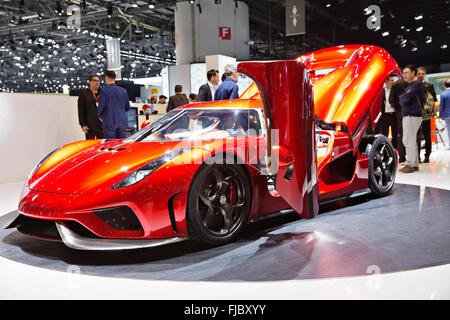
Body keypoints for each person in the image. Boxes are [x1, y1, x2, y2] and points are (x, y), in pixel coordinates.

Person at [398, 65, 425, 173]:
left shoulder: (416, 85)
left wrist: (402, 97)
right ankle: (414, 163)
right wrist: (403, 97)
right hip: (412, 115)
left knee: (408, 140)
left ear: (413, 73)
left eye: (407, 72)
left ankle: (410, 164)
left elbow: (404, 98)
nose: (404, 75)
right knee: (411, 140)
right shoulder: (412, 85)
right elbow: (404, 99)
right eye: (403, 73)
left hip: (412, 115)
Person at [98, 70, 131, 139]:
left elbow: (101, 106)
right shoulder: (123, 91)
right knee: (122, 144)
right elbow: (127, 107)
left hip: (109, 121)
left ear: (106, 78)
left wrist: (99, 115)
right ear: (115, 78)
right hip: (122, 121)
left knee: (111, 145)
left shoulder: (104, 90)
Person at [416, 67, 437, 163]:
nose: (420, 75)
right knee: (417, 136)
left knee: (427, 135)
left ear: (424, 74)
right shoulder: (412, 85)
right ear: (416, 74)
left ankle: (427, 155)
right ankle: (417, 157)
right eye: (419, 73)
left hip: (426, 115)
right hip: (415, 114)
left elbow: (434, 99)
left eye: (422, 73)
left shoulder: (429, 85)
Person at [389, 70, 409, 163]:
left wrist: (397, 109)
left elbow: (391, 100)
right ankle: (415, 158)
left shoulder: (395, 84)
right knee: (414, 135)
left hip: (400, 114)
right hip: (412, 112)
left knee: (401, 135)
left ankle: (402, 157)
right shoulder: (412, 83)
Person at [77, 75, 103, 139]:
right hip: (89, 125)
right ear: (90, 82)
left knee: (101, 145)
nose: (97, 82)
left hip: (101, 125)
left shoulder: (103, 93)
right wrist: (82, 124)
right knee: (90, 146)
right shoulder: (84, 93)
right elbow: (81, 110)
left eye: (98, 81)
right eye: (95, 81)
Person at [376, 75, 398, 149]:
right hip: (385, 116)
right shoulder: (381, 92)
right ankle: (385, 150)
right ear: (386, 81)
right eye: (392, 80)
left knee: (395, 135)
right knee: (384, 135)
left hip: (394, 116)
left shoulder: (396, 91)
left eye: (394, 80)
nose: (393, 82)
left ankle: (395, 151)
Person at [439, 80, 450, 148]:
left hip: (447, 115)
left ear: (444, 86)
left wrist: (440, 116)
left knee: (449, 130)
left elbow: (441, 106)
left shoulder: (443, 94)